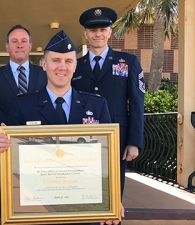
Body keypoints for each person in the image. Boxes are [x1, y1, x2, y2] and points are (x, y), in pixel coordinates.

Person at [0, 30, 123, 225]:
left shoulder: (96, 106)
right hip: (38, 208)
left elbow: (108, 159)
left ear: (75, 66)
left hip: (83, 207)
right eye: (55, 60)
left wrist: (113, 197)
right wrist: (0, 148)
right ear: (44, 65)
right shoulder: (23, 106)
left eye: (68, 61)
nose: (62, 67)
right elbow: (12, 161)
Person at [71, 7, 145, 197]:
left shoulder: (128, 62)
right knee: (81, 185)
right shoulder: (76, 66)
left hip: (116, 138)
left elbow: (137, 103)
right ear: (86, 34)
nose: (98, 34)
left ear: (110, 32)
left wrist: (134, 141)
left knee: (112, 188)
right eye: (93, 30)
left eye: (103, 30)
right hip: (81, 137)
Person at [0, 24, 47, 225]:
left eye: (23, 41)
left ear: (30, 46)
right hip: (4, 145)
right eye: (14, 41)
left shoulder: (44, 73)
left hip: (38, 146)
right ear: (7, 47)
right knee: (3, 191)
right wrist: (13, 131)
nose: (19, 45)